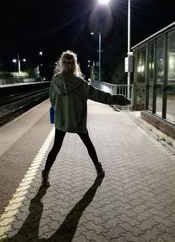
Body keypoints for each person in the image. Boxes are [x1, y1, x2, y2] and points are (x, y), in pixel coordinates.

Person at [42, 50, 130, 187]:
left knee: (55, 148)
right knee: (89, 144)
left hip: (62, 121)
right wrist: (115, 99)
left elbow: (52, 100)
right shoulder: (80, 84)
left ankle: (45, 175)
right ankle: (99, 170)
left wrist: (61, 111)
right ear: (75, 64)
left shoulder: (55, 80)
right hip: (77, 121)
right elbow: (98, 95)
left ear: (61, 64)